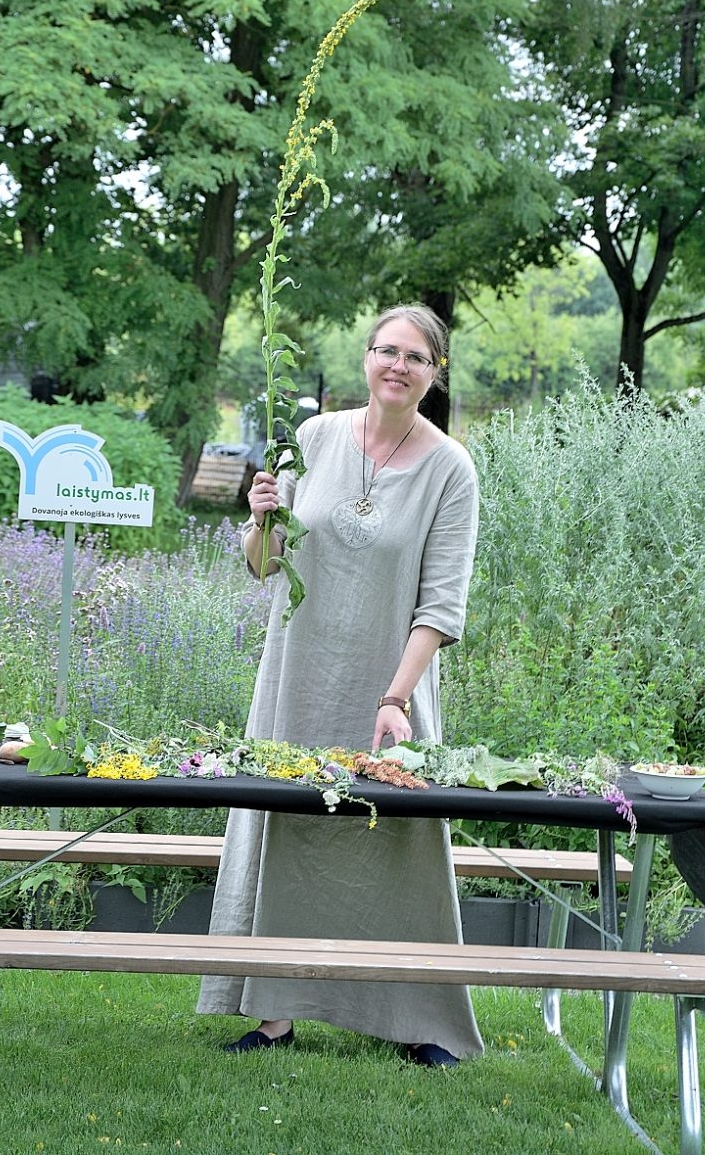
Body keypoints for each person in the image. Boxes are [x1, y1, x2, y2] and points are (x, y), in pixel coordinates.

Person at [197, 305, 483, 1067]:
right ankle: (274, 1013)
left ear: (435, 371)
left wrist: (396, 697)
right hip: (296, 678)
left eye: (415, 356)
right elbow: (263, 566)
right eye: (386, 350)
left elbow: (441, 604)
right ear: (365, 359)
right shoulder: (314, 438)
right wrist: (260, 519)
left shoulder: (451, 467)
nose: (398, 365)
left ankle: (422, 1019)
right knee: (286, 831)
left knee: (396, 843)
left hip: (388, 692)